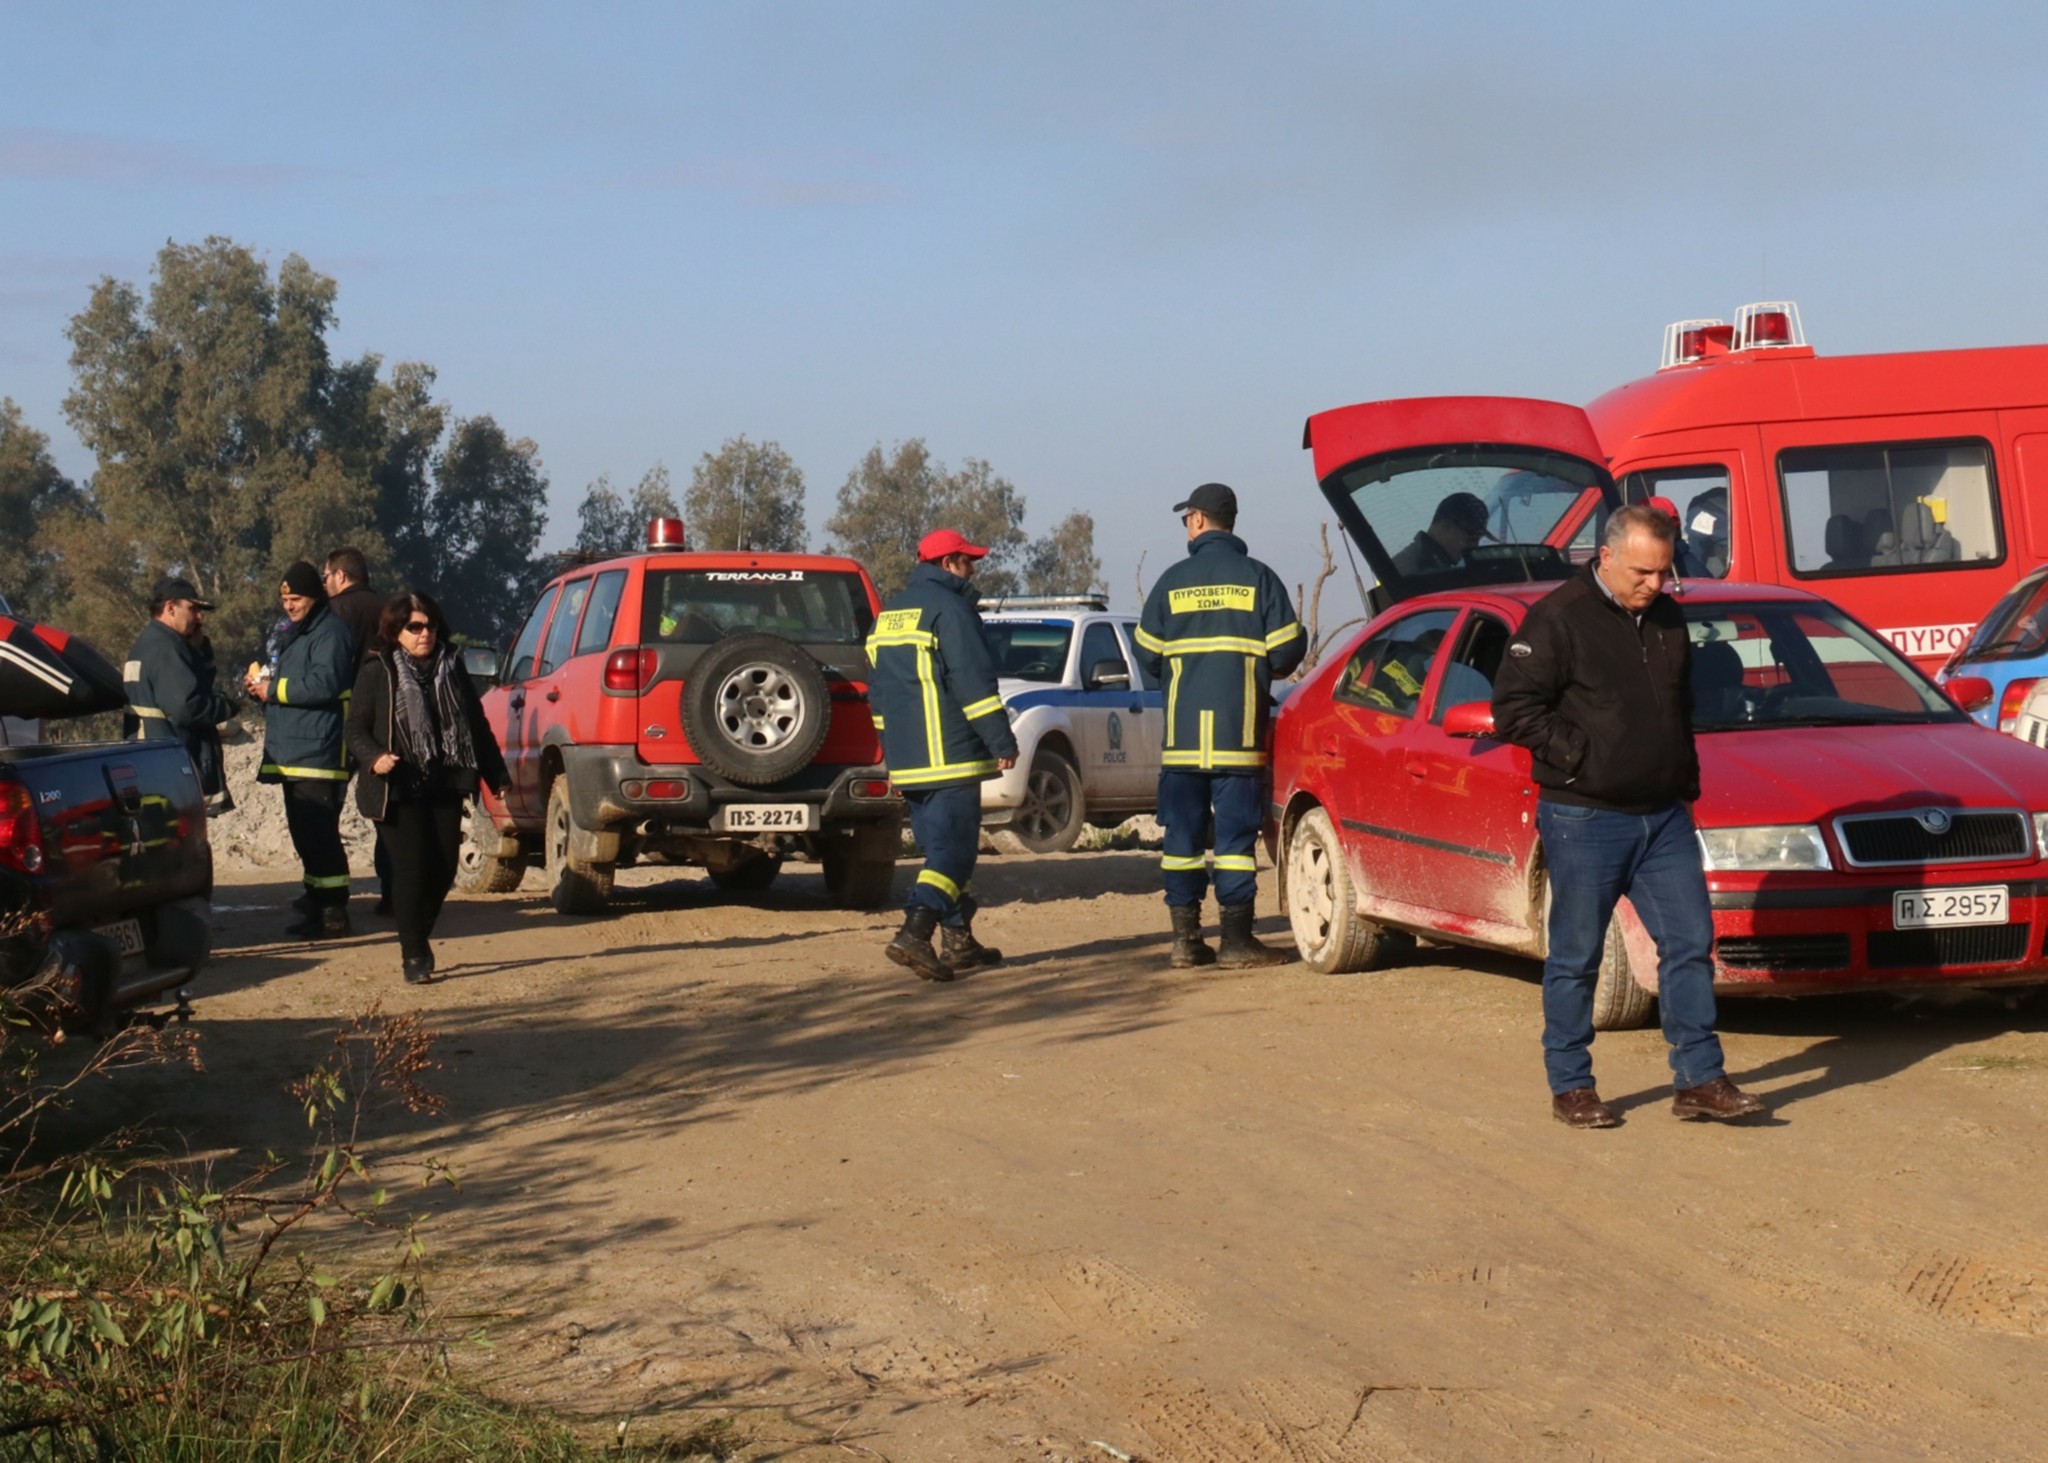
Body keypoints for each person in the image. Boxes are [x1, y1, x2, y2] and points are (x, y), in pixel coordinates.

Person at [1491, 504, 1767, 1129]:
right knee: (1576, 955)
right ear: (1607, 557)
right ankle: (1571, 1085)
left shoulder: (1668, 616)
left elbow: (1678, 706)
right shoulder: (1557, 618)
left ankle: (1700, 1078)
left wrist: (1685, 784)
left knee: (1690, 945)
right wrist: (1582, 757)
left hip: (1664, 815)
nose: (1655, 584)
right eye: (1643, 571)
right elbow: (1513, 708)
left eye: (1664, 573)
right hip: (1585, 816)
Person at [1135, 482, 1304, 969]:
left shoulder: (1170, 582)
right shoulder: (1259, 579)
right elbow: (1288, 653)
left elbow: (1148, 657)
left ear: (1197, 520)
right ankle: (1236, 941)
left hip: (1184, 744)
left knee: (1182, 842)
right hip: (1239, 740)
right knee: (1234, 842)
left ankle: (1185, 940)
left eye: (1185, 518)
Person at [864, 529, 1019, 981]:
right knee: (953, 855)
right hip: (950, 755)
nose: (973, 570)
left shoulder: (889, 614)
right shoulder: (952, 610)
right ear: (950, 563)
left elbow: (877, 699)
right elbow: (973, 685)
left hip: (909, 759)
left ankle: (958, 941)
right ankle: (915, 931)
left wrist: (890, 755)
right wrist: (1001, 742)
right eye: (969, 562)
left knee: (940, 852)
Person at [346, 592, 510, 984]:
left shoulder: (452, 667)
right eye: (414, 627)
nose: (424, 634)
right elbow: (354, 729)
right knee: (411, 869)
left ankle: (419, 933)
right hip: (396, 785)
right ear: (396, 631)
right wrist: (375, 756)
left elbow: (477, 726)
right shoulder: (377, 671)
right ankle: (413, 952)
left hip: (444, 781)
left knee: (442, 870)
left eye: (430, 626)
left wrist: (496, 775)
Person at [245, 561, 358, 940]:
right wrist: (263, 686)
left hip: (319, 753)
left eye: (296, 599)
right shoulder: (298, 632)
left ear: (315, 597)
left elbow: (324, 683)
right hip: (295, 750)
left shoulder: (331, 633)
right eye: (285, 600)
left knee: (319, 835)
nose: (289, 606)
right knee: (303, 833)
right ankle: (316, 899)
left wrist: (274, 689)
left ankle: (332, 910)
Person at [123, 576, 238, 812]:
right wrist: (228, 706)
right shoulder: (165, 649)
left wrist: (200, 652)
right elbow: (188, 707)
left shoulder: (149, 644)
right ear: (170, 608)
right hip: (170, 771)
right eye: (192, 608)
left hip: (152, 767)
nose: (199, 617)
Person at [322, 546, 393, 915]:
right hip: (384, 727)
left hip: (342, 724)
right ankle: (392, 892)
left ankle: (331, 900)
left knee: (327, 810)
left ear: (341, 576)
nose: (324, 585)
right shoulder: (387, 611)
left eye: (325, 577)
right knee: (384, 810)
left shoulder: (334, 614)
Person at [1390, 491, 1492, 577]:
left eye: (1478, 539)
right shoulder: (1410, 570)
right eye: (1471, 537)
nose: (1474, 546)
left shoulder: (1431, 567)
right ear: (1445, 525)